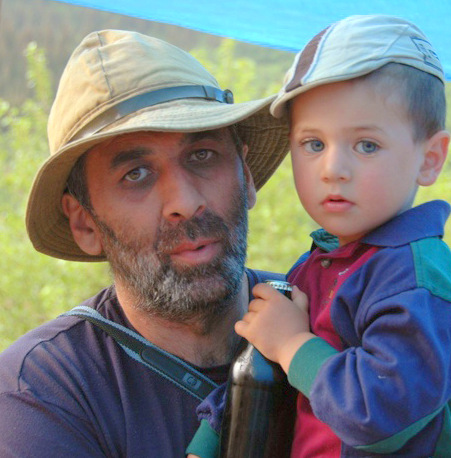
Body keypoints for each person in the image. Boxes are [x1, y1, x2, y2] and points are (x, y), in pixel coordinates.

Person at [188, 15, 451, 457]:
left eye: (366, 145)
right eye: (313, 144)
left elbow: (379, 413)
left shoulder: (418, 281)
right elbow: (259, 367)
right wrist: (207, 443)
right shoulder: (317, 265)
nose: (332, 168)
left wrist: (294, 343)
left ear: (430, 159)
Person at [0, 29, 290, 456]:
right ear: (85, 223)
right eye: (136, 173)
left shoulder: (324, 315)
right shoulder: (43, 391)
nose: (186, 203)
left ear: (244, 175)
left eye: (202, 155)